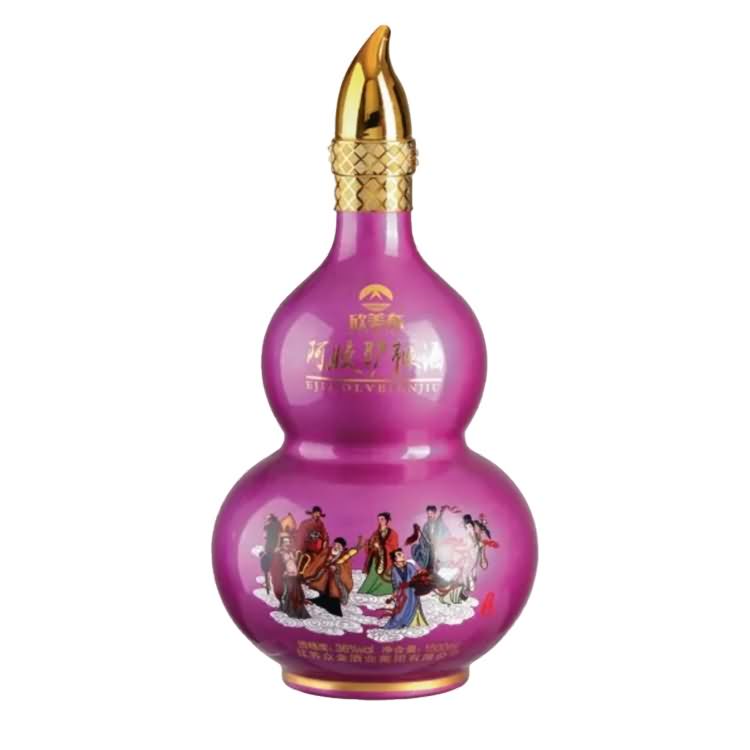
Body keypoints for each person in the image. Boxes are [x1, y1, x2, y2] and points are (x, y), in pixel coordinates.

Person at [304, 536, 362, 616]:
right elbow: (319, 561)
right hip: (323, 577)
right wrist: (324, 566)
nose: (336, 547)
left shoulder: (343, 556)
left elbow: (345, 569)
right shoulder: (327, 551)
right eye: (335, 544)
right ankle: (321, 600)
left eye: (339, 546)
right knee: (321, 590)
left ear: (342, 548)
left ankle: (332, 606)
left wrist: (337, 568)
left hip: (334, 580)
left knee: (333, 593)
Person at [384, 549, 429, 629]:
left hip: (412, 591)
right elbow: (395, 583)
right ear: (395, 560)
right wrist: (394, 595)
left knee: (413, 606)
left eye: (402, 555)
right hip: (402, 593)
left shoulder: (410, 566)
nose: (403, 557)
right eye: (399, 555)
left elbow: (415, 577)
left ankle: (412, 622)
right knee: (400, 610)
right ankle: (397, 623)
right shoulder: (394, 569)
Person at [358, 512, 399, 596]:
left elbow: (394, 547)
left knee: (385, 576)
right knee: (373, 572)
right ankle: (367, 589)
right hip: (376, 556)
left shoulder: (393, 533)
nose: (380, 521)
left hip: (386, 558)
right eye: (379, 519)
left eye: (382, 519)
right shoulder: (376, 533)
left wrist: (381, 546)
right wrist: (367, 543)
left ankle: (381, 590)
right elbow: (371, 543)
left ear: (387, 520)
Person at [270, 534, 310, 619]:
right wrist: (284, 572)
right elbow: (277, 567)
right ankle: (290, 611)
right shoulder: (279, 553)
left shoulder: (291, 552)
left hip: (294, 577)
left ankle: (298, 612)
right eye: (285, 542)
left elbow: (294, 563)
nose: (287, 543)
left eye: (288, 542)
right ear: (281, 543)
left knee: (297, 594)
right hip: (287, 578)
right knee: (290, 594)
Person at [410, 504, 450, 571]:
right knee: (415, 548)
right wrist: (425, 542)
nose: (429, 515)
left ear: (434, 513)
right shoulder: (426, 525)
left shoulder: (440, 523)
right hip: (429, 548)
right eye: (428, 513)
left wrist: (439, 541)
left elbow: (447, 533)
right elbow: (422, 538)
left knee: (439, 562)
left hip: (439, 547)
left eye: (431, 513)